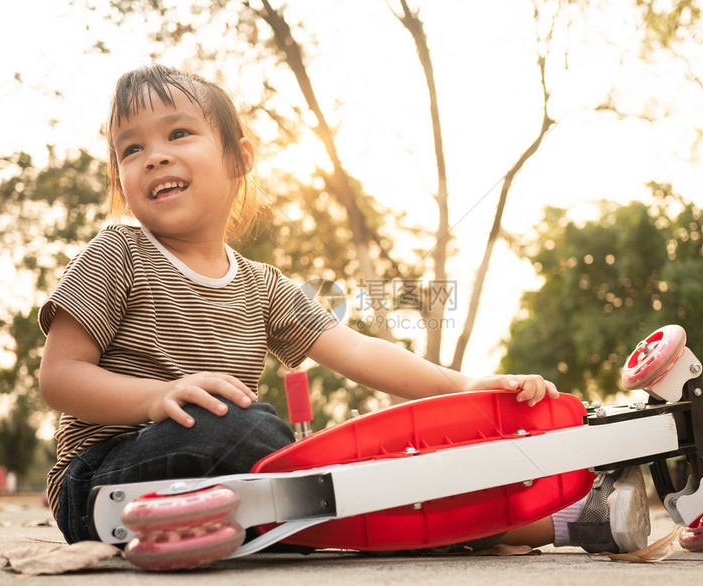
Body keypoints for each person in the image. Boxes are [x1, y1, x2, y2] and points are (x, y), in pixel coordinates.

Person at [38, 65, 649, 554]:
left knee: (356, 481)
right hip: (105, 481)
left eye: (177, 134)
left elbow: (357, 349)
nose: (153, 156)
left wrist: (463, 386)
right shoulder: (117, 254)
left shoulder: (261, 285)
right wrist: (151, 399)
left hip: (235, 485)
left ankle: (574, 520)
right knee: (249, 432)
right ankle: (266, 512)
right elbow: (59, 377)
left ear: (237, 159)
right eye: (130, 148)